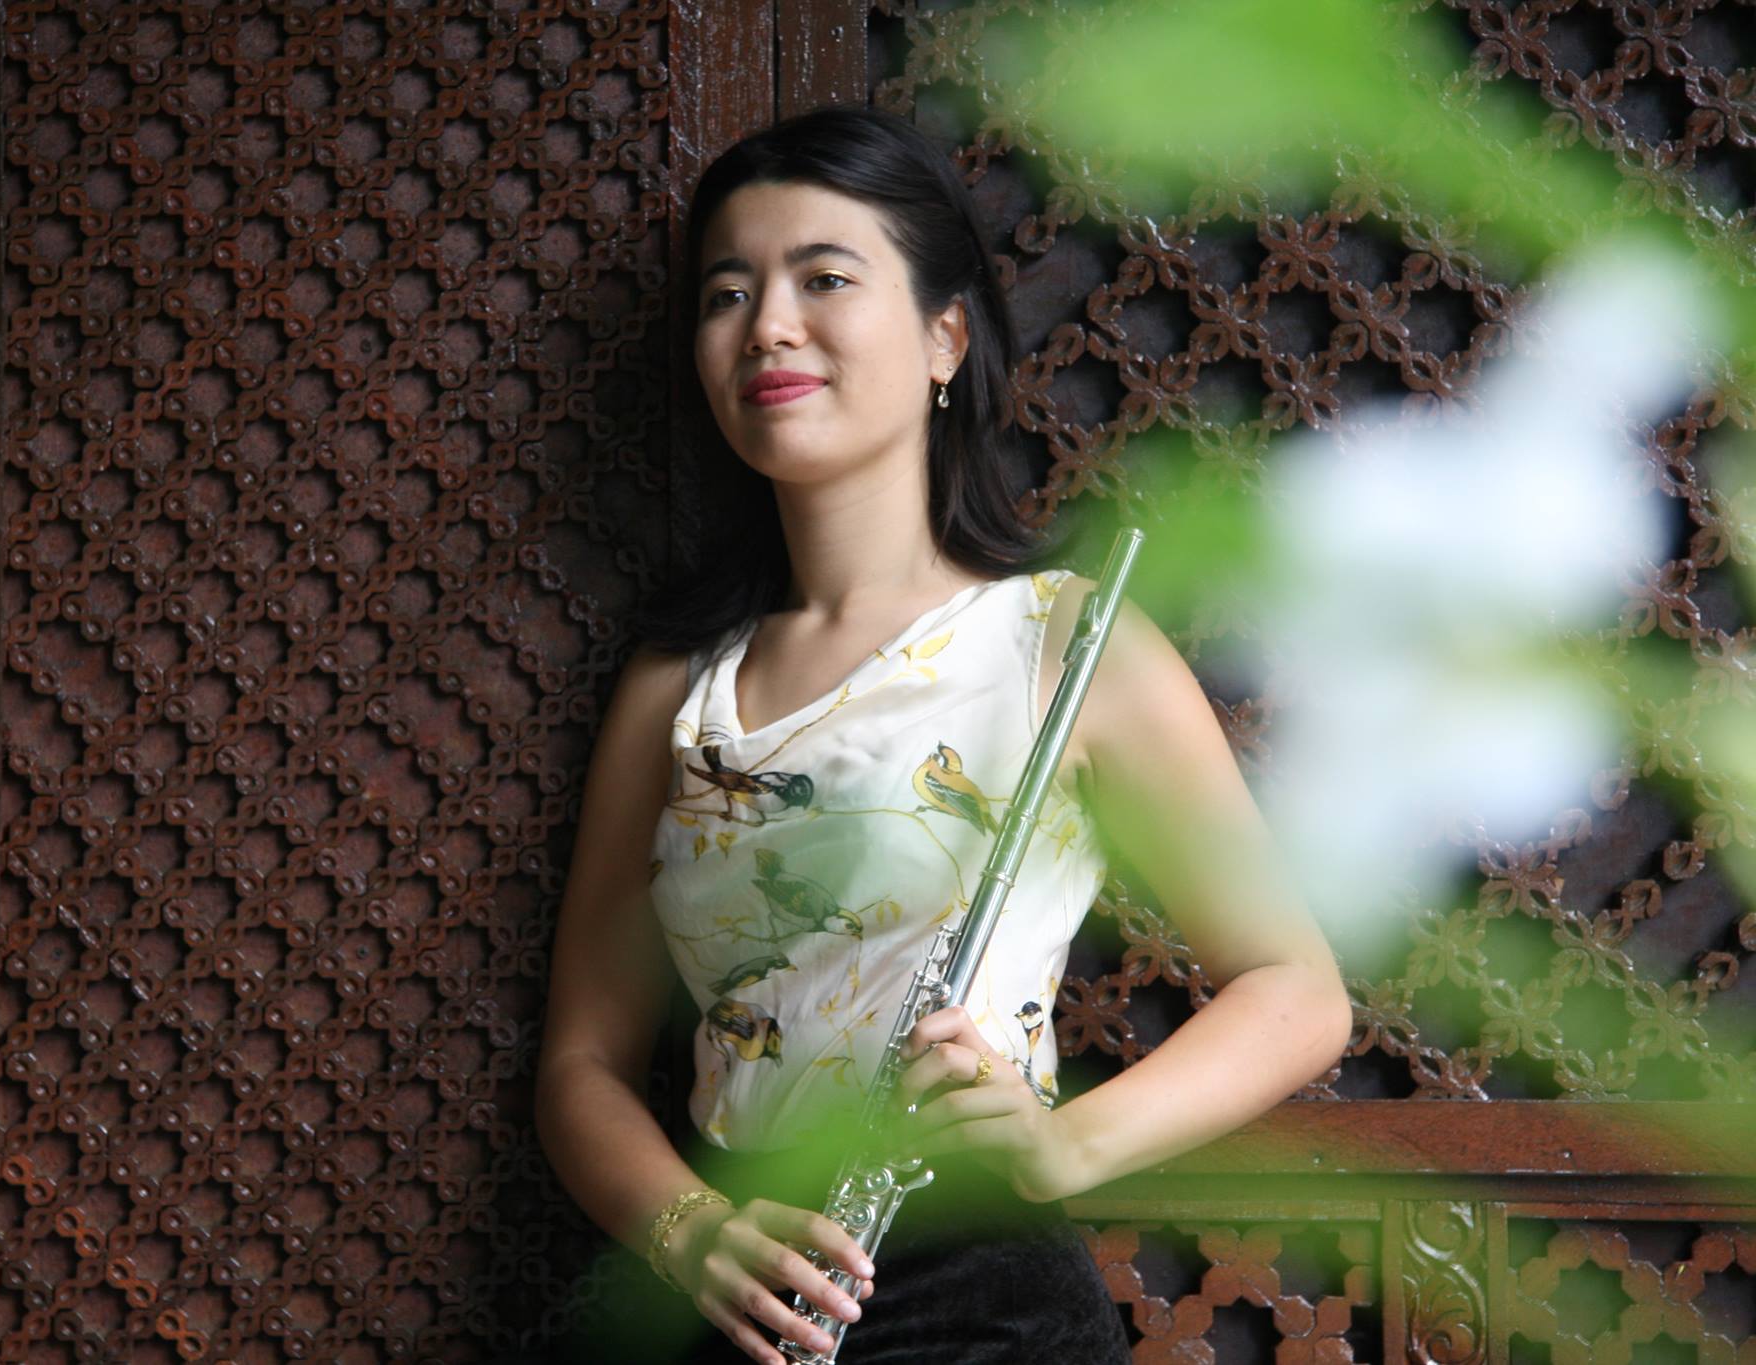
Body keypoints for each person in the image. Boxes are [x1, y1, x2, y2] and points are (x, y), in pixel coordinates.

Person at [532, 105, 1351, 1365]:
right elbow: (581, 1062)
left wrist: (1062, 1145)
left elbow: (1295, 992)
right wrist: (690, 1232)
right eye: (727, 294)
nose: (768, 327)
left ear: (943, 337)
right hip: (739, 1295)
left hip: (983, 1299)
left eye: (824, 279)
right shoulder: (675, 684)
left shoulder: (1062, 642)